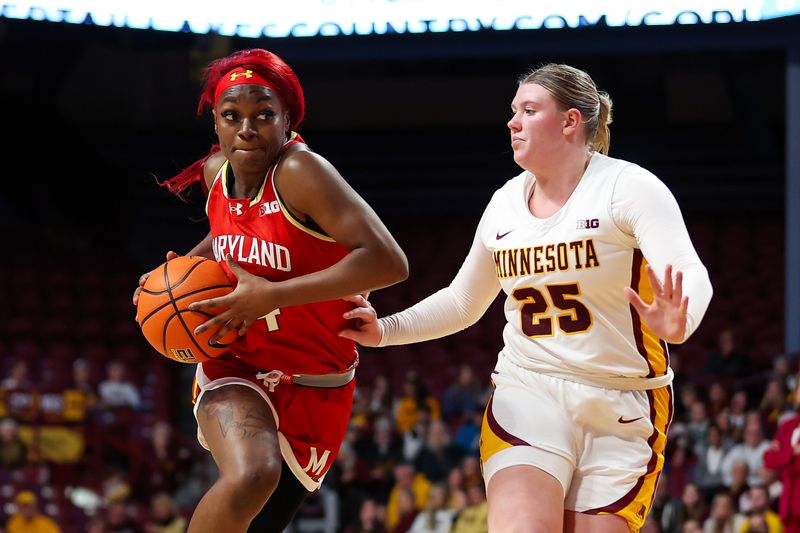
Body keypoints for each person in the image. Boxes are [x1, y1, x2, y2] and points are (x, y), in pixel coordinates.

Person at [341, 63, 713, 532]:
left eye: (529, 110)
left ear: (570, 121)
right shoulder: (504, 203)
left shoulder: (628, 188)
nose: (512, 122)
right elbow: (462, 302)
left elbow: (689, 273)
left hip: (622, 401)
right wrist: (385, 330)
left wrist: (682, 320)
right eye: (513, 111)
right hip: (529, 388)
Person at [132, 48, 408, 533]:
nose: (247, 128)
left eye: (264, 115)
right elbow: (226, 234)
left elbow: (389, 262)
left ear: (287, 121)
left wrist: (273, 295)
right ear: (214, 122)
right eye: (231, 116)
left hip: (316, 382)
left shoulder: (301, 174)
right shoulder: (217, 171)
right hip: (237, 363)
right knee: (252, 474)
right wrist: (174, 277)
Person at [762, 372, 800, 533]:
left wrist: (783, 456)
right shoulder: (788, 425)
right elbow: (768, 458)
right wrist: (792, 453)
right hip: (788, 507)